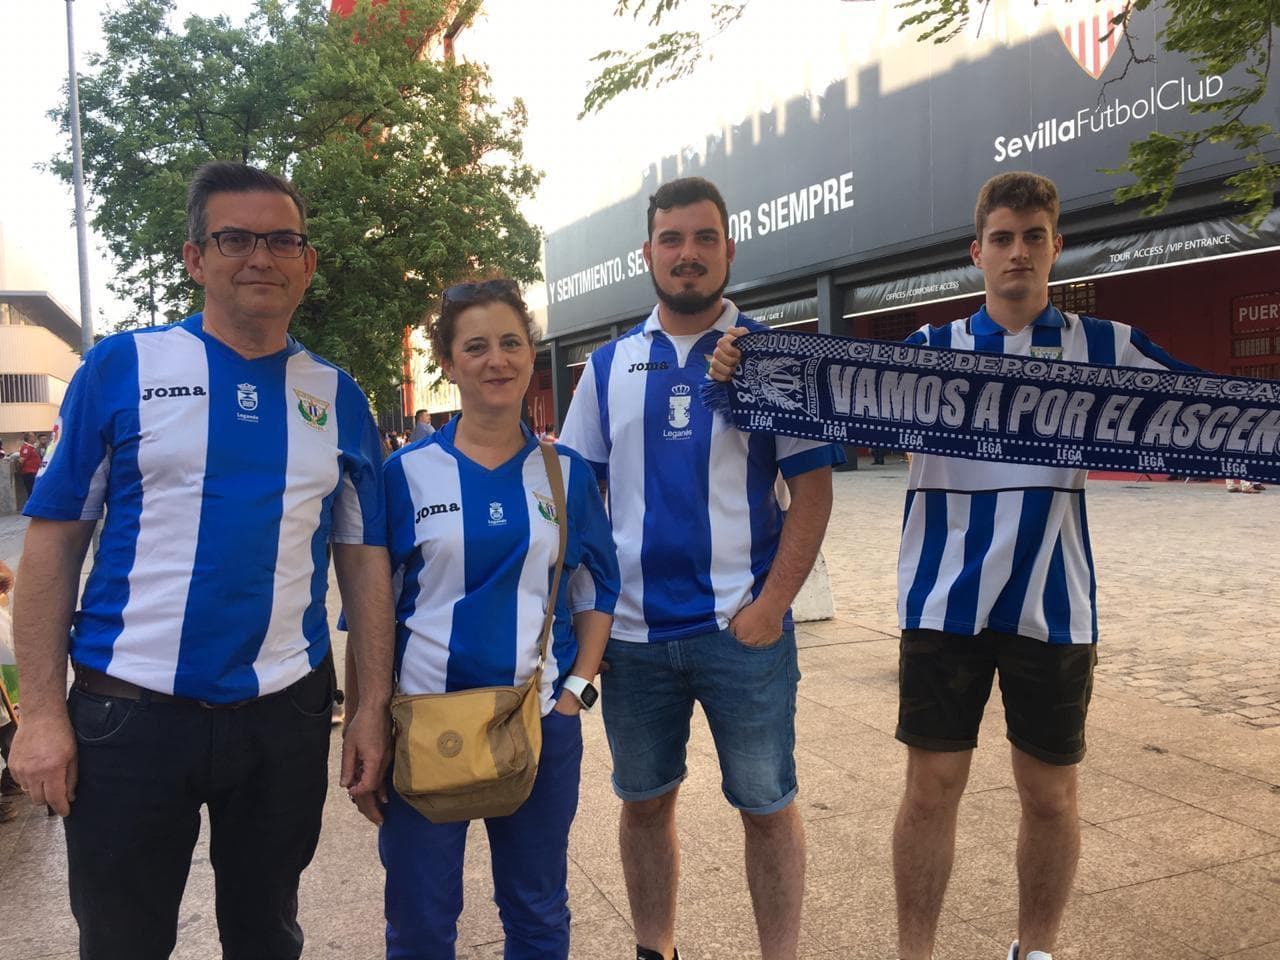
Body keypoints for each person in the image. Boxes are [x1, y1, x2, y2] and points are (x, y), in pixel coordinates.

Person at [711, 171, 1195, 960]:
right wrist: (745, 371)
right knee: (931, 791)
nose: (1018, 253)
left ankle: (1033, 947)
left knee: (1050, 794)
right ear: (978, 252)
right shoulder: (927, 356)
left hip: (1053, 600)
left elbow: (1212, 414)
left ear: (1056, 247)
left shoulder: (1106, 348)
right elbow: (825, 398)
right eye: (1002, 238)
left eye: (1034, 237)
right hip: (943, 602)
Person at [7, 161, 394, 960]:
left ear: (307, 262)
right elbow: (51, 550)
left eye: (282, 240)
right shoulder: (121, 368)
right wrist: (41, 715)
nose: (261, 257)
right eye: (235, 238)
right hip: (128, 717)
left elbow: (363, 565)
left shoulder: (338, 395)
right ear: (195, 258)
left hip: (283, 715)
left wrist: (368, 705)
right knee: (122, 942)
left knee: (267, 935)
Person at [559, 176, 842, 960]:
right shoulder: (607, 366)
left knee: (767, 805)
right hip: (635, 642)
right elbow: (577, 503)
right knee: (644, 804)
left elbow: (811, 493)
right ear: (647, 253)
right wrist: (591, 624)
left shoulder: (772, 358)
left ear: (729, 250)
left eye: (704, 239)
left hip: (740, 633)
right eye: (673, 240)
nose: (688, 255)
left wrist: (771, 605)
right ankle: (656, 947)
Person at [374, 277, 619, 959]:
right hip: (426, 726)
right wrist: (370, 721)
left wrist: (577, 693)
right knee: (420, 922)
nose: (496, 360)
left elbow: (597, 587)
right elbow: (373, 612)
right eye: (474, 346)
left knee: (537, 912)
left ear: (530, 355)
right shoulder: (405, 473)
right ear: (449, 365)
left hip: (537, 722)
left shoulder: (565, 472)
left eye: (511, 343)